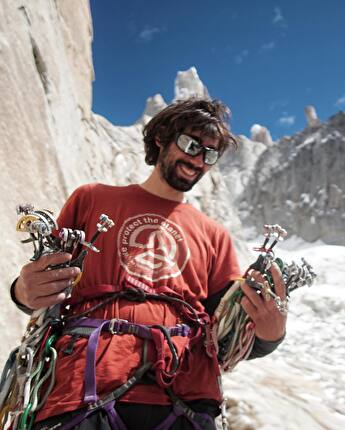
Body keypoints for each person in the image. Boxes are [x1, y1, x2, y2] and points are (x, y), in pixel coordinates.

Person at [11, 98, 287, 430]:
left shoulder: (215, 236)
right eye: (190, 144)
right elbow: (45, 286)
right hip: (85, 382)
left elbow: (228, 332)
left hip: (186, 393)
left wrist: (270, 336)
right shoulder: (92, 198)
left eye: (209, 154)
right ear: (161, 138)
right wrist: (22, 291)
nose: (198, 159)